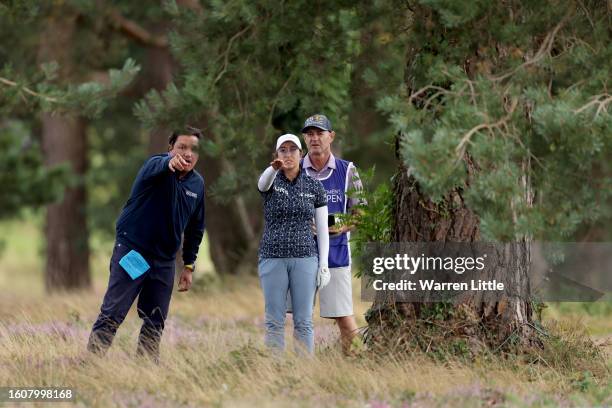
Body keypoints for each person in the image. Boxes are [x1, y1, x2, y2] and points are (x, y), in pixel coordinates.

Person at [87, 127, 205, 362]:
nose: (188, 154)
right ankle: (91, 363)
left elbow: (195, 229)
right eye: (182, 147)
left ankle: (146, 367)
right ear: (170, 148)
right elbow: (156, 166)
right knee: (114, 312)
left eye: (193, 149)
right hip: (134, 251)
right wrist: (168, 165)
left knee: (156, 316)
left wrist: (189, 266)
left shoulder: (197, 184)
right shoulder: (156, 165)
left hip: (164, 260)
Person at [257, 134, 330, 354]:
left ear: (301, 154)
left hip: (305, 258)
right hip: (272, 257)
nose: (288, 154)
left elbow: (322, 228)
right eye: (283, 150)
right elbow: (262, 184)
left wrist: (323, 264)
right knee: (274, 321)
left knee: (304, 320)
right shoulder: (271, 181)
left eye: (293, 150)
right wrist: (273, 168)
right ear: (276, 155)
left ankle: (303, 373)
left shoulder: (314, 186)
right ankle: (274, 372)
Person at [300, 114, 365, 353]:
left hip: (337, 254)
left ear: (331, 136)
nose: (314, 138)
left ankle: (357, 362)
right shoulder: (294, 169)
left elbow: (361, 213)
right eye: (310, 134)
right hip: (300, 254)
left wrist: (339, 225)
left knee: (343, 316)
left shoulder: (348, 170)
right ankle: (300, 369)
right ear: (304, 138)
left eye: (320, 133)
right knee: (300, 316)